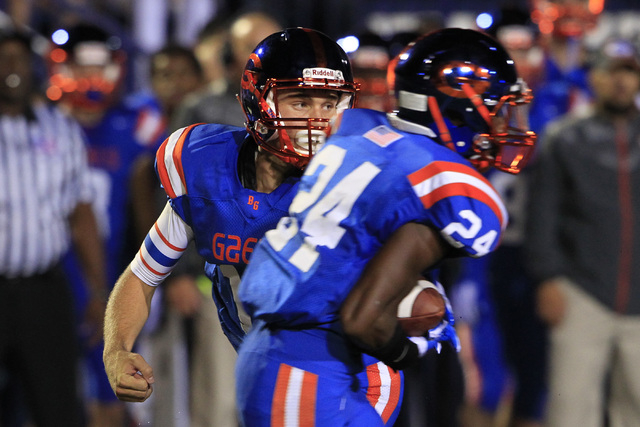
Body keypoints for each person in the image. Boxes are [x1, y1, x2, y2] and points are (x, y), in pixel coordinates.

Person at [234, 27, 536, 426]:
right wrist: (408, 351)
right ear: (458, 105)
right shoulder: (448, 181)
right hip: (309, 364)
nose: (503, 125)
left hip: (286, 353)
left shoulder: (361, 132)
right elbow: (365, 318)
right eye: (497, 109)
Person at [102, 27, 366, 424]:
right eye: (300, 101)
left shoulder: (355, 185)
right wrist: (117, 349)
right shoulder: (208, 168)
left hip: (341, 373)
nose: (318, 120)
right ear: (258, 102)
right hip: (254, 361)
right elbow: (142, 274)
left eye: (329, 105)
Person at [46, 21, 167, 426]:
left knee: (109, 385)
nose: (90, 78)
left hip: (111, 272)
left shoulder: (135, 122)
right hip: (45, 273)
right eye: (80, 68)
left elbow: (143, 204)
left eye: (98, 67)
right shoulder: (38, 122)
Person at [525, 37, 640, 427]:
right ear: (594, 77)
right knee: (570, 413)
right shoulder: (565, 136)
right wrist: (548, 278)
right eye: (611, 71)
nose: (621, 82)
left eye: (629, 72)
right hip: (581, 293)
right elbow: (542, 214)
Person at [0, 27, 107, 426]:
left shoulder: (60, 129)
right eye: (2, 58)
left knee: (58, 407)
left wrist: (98, 291)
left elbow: (80, 213)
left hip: (43, 291)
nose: (11, 67)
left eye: (18, 57)